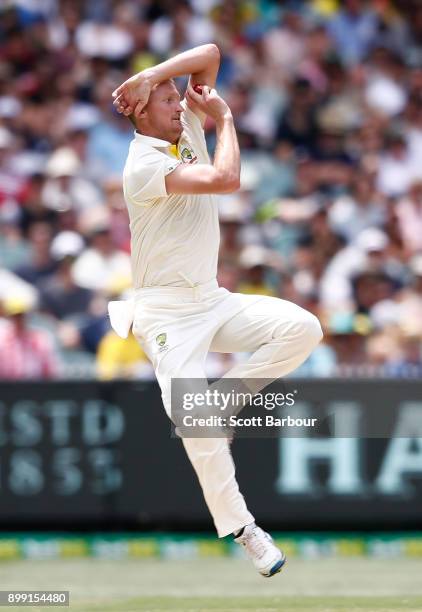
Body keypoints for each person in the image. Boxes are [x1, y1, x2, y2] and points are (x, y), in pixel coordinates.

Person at [110, 44, 323, 577]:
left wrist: (156, 74)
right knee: (193, 420)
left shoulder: (184, 132)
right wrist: (225, 119)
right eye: (164, 100)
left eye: (176, 96)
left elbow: (210, 54)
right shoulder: (143, 163)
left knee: (303, 328)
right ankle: (245, 530)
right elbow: (228, 181)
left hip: (210, 298)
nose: (178, 104)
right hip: (164, 313)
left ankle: (227, 401)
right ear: (139, 113)